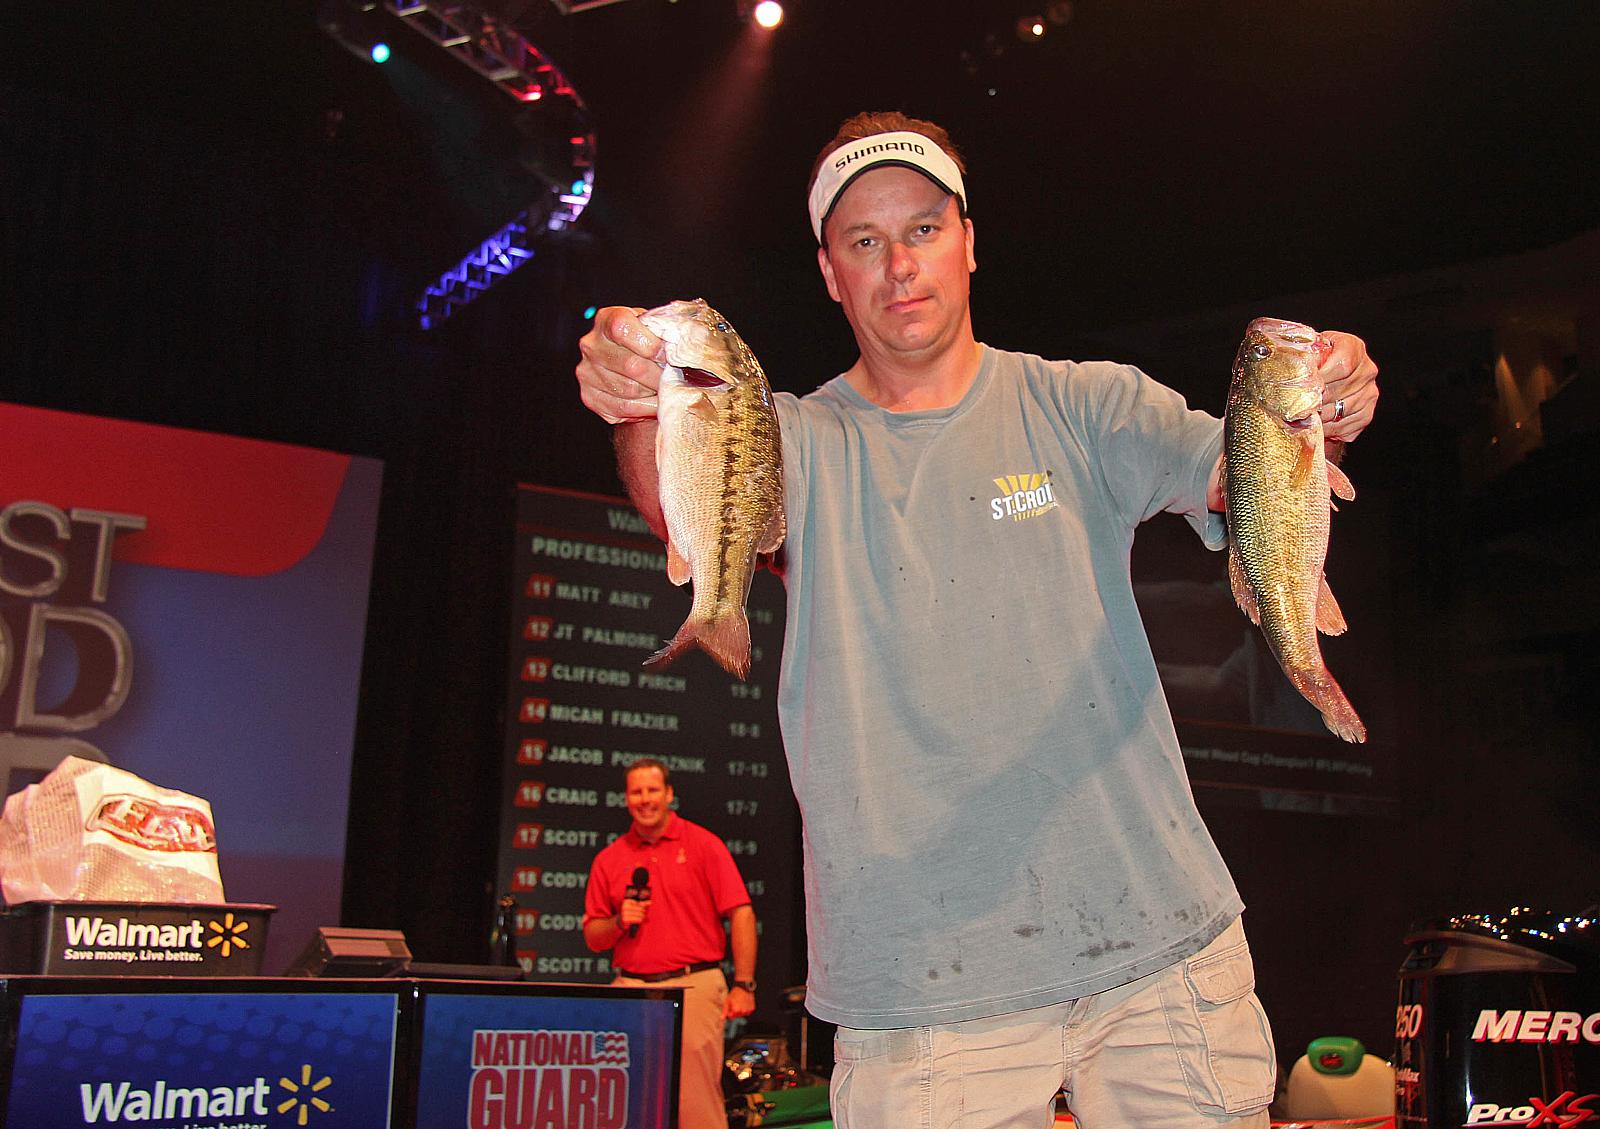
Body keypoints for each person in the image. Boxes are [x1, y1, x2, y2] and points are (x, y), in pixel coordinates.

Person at [575, 112, 1380, 1128]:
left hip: (1159, 948)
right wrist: (638, 398)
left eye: (921, 228)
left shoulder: (1088, 406)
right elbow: (681, 505)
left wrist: (1326, 410)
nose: (898, 264)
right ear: (829, 272)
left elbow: (1252, 479)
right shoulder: (795, 438)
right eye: (864, 242)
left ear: (968, 241)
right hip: (920, 981)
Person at [582, 757, 757, 1129]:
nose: (645, 799)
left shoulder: (702, 844)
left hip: (693, 983)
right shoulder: (610, 859)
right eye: (636, 792)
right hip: (630, 987)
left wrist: (743, 984)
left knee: (695, 1102)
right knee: (623, 1096)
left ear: (669, 794)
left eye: (652, 790)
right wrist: (618, 921)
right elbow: (594, 936)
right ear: (626, 799)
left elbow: (741, 912)